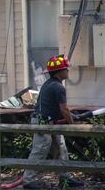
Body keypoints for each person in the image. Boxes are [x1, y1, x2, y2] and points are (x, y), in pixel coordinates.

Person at [22, 55, 84, 189]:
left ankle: (65, 178)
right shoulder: (58, 87)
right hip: (43, 123)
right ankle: (28, 181)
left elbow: (56, 107)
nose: (67, 70)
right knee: (40, 150)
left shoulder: (50, 84)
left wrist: (72, 116)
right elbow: (64, 109)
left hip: (50, 122)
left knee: (61, 149)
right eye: (65, 69)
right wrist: (73, 125)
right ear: (59, 71)